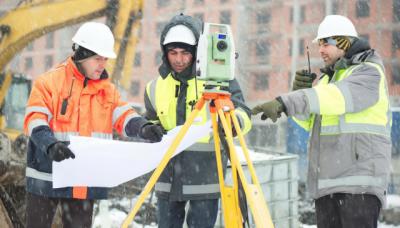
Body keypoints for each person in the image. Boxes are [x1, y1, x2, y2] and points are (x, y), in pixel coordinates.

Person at [252, 15, 391, 228]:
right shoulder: (329, 78)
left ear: (344, 41)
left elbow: (336, 98)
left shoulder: (368, 72)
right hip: (328, 185)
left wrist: (287, 101)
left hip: (358, 185)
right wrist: (299, 93)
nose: (321, 50)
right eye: (320, 44)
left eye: (327, 43)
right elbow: (310, 122)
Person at [23, 22, 165, 228]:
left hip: (83, 179)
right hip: (46, 177)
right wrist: (50, 144)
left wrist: (144, 128)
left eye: (105, 59)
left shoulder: (107, 91)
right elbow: (35, 119)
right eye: (98, 59)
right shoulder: (48, 83)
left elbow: (124, 116)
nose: (102, 64)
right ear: (81, 55)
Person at [143, 13, 252, 228]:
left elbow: (244, 114)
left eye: (185, 53)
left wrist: (233, 122)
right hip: (167, 177)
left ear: (197, 51)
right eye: (173, 52)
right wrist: (148, 129)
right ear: (165, 53)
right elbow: (152, 120)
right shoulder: (154, 87)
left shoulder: (219, 80)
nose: (179, 59)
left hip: (205, 177)